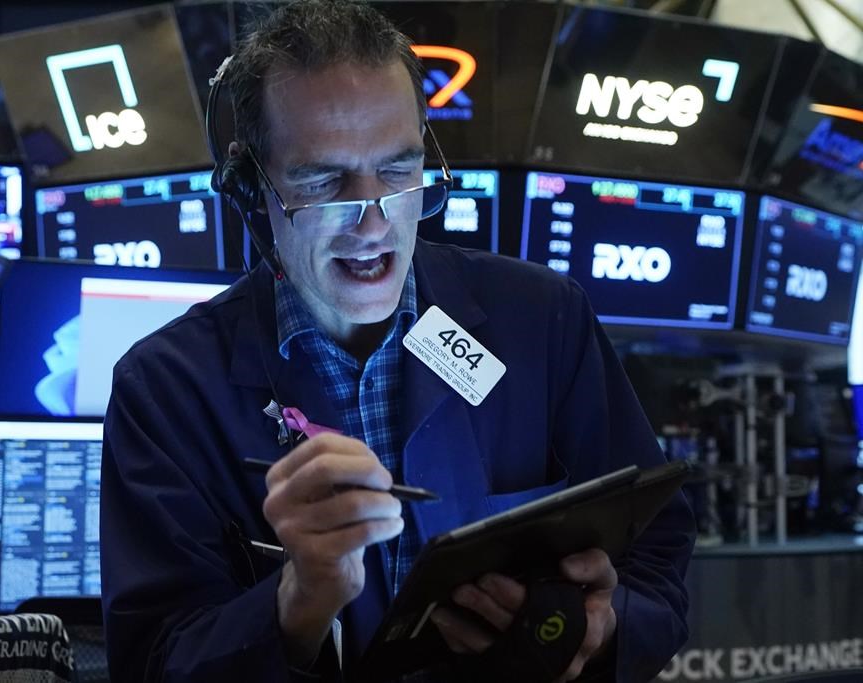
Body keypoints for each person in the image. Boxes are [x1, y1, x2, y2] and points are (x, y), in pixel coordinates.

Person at [100, 2, 695, 681]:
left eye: (397, 169)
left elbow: (659, 554)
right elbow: (152, 661)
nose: (373, 220)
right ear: (250, 189)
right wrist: (297, 602)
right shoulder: (166, 389)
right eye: (323, 181)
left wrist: (606, 620)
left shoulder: (543, 319)